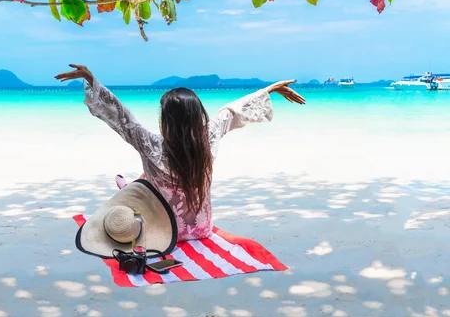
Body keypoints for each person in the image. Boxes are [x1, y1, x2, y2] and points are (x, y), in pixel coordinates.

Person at [55, 64, 305, 242]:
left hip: (165, 231)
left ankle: (130, 186)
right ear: (198, 116)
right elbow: (232, 111)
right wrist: (269, 90)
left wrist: (92, 82)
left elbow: (121, 117)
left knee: (144, 179)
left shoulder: (150, 144)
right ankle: (133, 184)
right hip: (202, 229)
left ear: (167, 120)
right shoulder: (207, 139)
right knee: (149, 175)